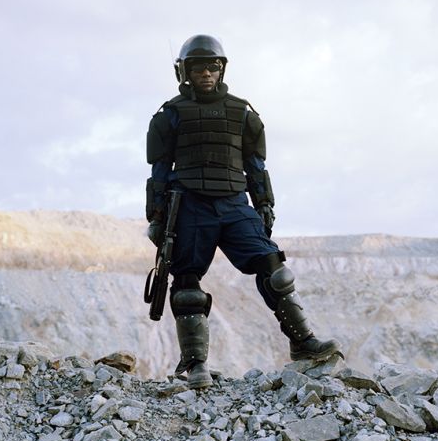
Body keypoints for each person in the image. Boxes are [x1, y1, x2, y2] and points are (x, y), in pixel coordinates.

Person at [146, 34, 341, 388]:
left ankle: (303, 343)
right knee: (187, 284)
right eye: (197, 67)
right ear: (184, 72)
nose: (206, 72)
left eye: (212, 66)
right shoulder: (169, 116)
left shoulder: (243, 113)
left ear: (222, 69)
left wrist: (264, 203)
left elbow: (256, 166)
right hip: (189, 205)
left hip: (236, 204)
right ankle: (194, 364)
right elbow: (158, 172)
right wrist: (156, 218)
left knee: (274, 270)